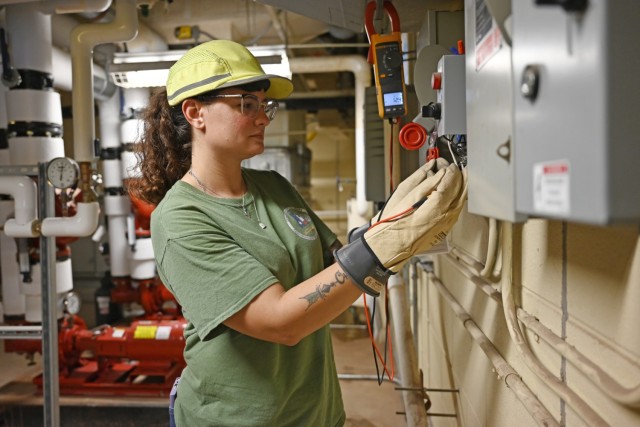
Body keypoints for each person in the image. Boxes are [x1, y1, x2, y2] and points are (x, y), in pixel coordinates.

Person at [129, 39, 467, 427]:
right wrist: (379, 247)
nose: (263, 117)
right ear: (195, 113)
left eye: (264, 105)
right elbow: (279, 323)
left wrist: (398, 220)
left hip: (317, 412)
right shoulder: (180, 217)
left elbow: (337, 260)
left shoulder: (274, 186)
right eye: (247, 104)